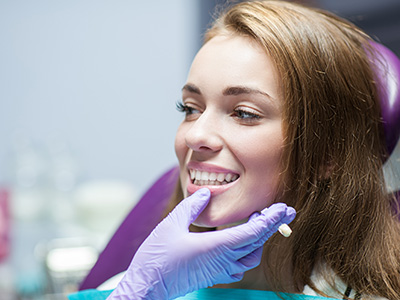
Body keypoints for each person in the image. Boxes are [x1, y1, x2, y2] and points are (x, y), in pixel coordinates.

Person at [73, 1, 400, 299]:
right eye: (190, 108)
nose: (195, 135)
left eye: (244, 113)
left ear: (327, 154)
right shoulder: (141, 285)